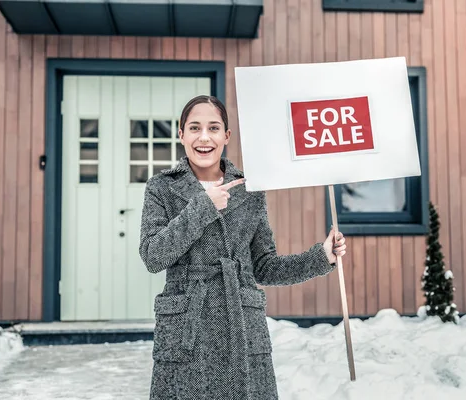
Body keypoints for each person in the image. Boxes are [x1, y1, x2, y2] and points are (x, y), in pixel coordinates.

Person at [139, 95, 347, 400]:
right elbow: (153, 256)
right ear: (181, 134)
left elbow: (265, 267)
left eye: (213, 127)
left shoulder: (249, 190)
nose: (204, 137)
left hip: (242, 328)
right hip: (187, 329)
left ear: (226, 136)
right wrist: (202, 208)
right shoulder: (161, 188)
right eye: (195, 128)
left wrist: (321, 257)